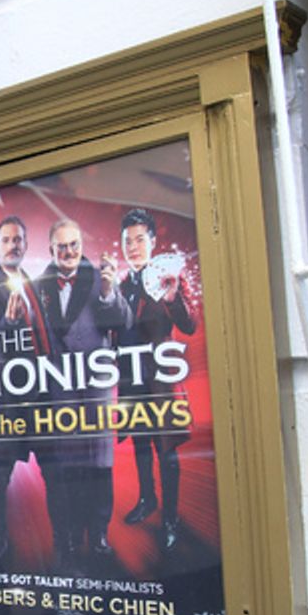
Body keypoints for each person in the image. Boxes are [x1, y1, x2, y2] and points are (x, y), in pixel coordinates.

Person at [34, 218, 131, 570]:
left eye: (74, 244)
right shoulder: (37, 286)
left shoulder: (98, 279)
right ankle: (73, 538)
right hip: (59, 392)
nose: (69, 252)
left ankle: (100, 534)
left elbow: (123, 323)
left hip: (95, 390)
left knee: (100, 466)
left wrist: (109, 292)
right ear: (51, 249)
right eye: (62, 246)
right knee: (69, 470)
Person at [0, 216, 51, 556]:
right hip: (6, 403)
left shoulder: (35, 285)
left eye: (18, 239)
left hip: (42, 398)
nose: (13, 245)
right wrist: (9, 323)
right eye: (7, 240)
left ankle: (66, 550)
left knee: (56, 474)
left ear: (26, 245)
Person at [118, 208, 196, 549]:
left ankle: (170, 518)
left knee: (167, 452)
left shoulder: (168, 279)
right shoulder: (120, 285)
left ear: (152, 242)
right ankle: (147, 499)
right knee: (140, 447)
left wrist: (172, 299)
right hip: (131, 380)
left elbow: (190, 325)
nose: (133, 247)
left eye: (139, 240)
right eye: (127, 241)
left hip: (162, 382)